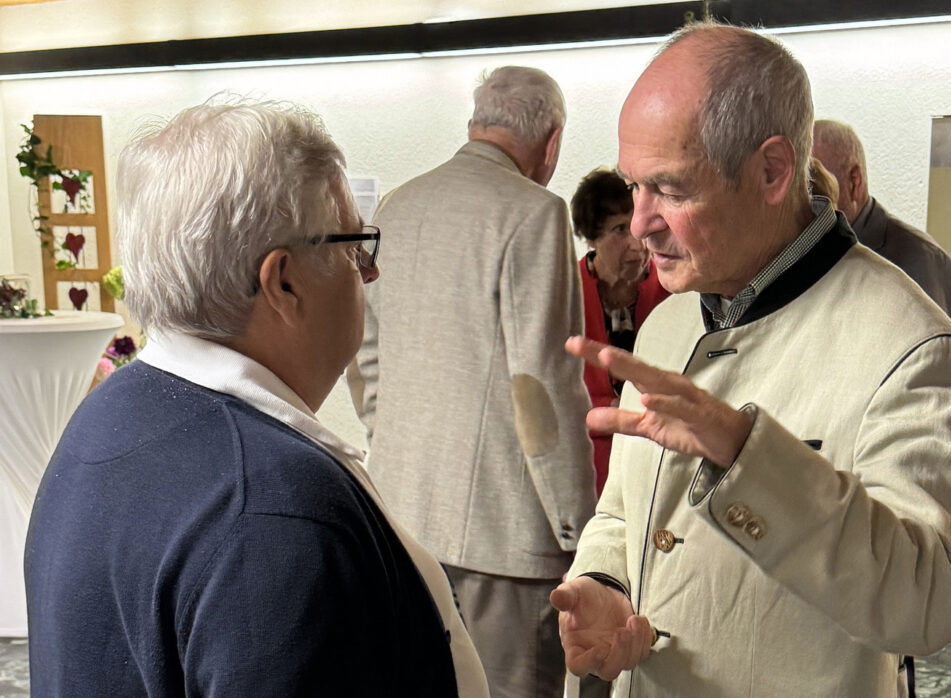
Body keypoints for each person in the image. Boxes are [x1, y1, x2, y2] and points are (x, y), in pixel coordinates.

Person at [550, 22, 951, 698]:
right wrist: (604, 582)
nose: (639, 224)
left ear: (773, 172)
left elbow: (931, 602)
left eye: (670, 189)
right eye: (634, 186)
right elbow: (624, 514)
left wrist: (751, 460)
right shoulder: (669, 321)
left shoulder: (909, 344)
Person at [24, 97, 488, 697]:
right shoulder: (277, 508)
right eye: (354, 246)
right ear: (283, 282)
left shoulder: (114, 409)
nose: (369, 273)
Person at [347, 66, 595, 698]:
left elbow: (365, 354)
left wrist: (395, 440)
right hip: (505, 536)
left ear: (474, 124)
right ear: (552, 142)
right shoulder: (536, 213)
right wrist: (578, 527)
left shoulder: (399, 205)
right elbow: (540, 384)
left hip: (403, 516)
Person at [813, 118, 951, 334]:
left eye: (812, 184)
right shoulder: (809, 253)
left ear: (854, 181)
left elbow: (941, 351)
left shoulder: (923, 260)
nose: (797, 200)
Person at [570, 167, 669, 496]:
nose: (636, 244)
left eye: (638, 224)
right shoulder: (566, 293)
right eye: (619, 230)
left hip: (656, 460)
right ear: (592, 237)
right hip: (585, 467)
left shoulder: (671, 291)